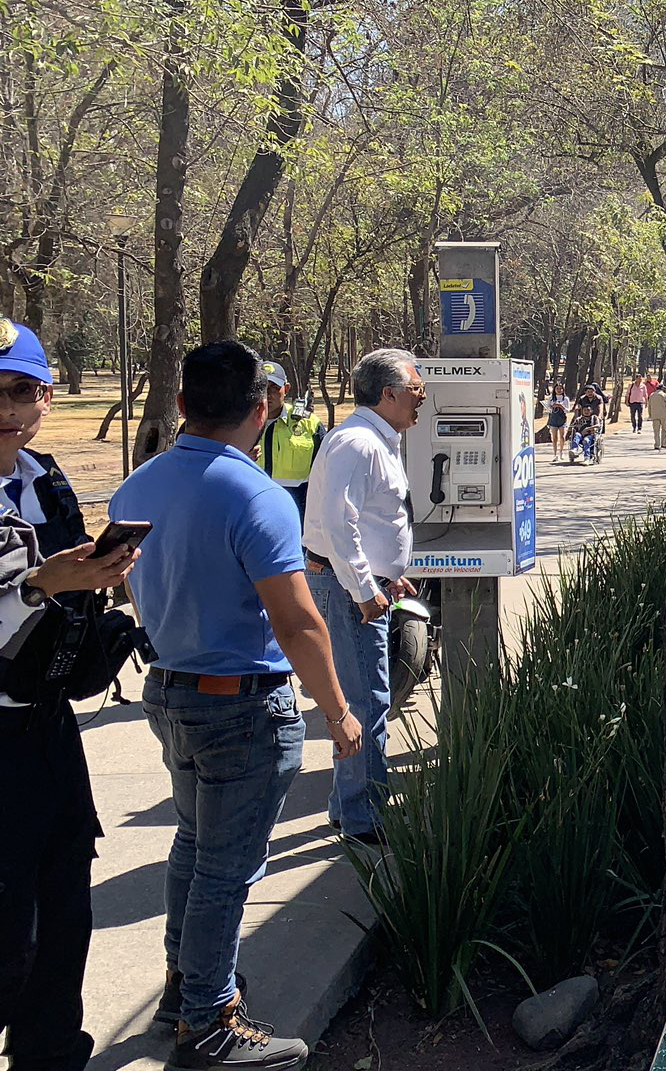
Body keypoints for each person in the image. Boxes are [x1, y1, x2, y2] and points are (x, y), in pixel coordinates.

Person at [112, 339, 363, 1069]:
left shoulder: (138, 486)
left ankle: (184, 987)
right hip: (241, 708)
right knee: (227, 866)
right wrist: (339, 710)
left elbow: (136, 586)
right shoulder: (254, 493)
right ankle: (210, 1019)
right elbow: (297, 621)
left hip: (171, 692)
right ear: (262, 410)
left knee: (194, 847)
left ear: (183, 405)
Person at [0, 320, 142, 1071]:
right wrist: (36, 583)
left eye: (22, 390)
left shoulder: (45, 477)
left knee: (65, 918)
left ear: (47, 397)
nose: (8, 408)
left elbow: (60, 593)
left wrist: (94, 580)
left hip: (50, 731)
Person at [303, 349, 421, 844]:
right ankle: (364, 817)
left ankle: (345, 805)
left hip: (360, 587)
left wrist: (386, 577)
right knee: (367, 703)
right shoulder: (357, 442)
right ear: (388, 393)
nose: (422, 399)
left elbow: (368, 523)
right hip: (349, 592)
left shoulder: (378, 439)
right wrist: (366, 588)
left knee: (363, 699)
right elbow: (337, 524)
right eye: (417, 390)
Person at [255, 360, 324, 520]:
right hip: (255, 506)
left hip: (298, 509)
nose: (268, 394)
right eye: (262, 388)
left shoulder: (309, 424)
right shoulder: (241, 424)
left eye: (274, 388)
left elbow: (326, 469)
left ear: (286, 389)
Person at [647, 380, 666, 451]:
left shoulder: (651, 395)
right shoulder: (664, 395)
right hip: (663, 415)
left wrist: (650, 415)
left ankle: (657, 444)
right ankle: (664, 443)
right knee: (665, 430)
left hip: (655, 415)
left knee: (656, 431)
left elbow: (649, 406)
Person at [545, 387, 570, 463]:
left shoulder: (565, 399)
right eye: (557, 389)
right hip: (553, 419)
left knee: (562, 436)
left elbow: (568, 410)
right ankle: (555, 454)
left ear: (563, 390)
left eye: (560, 389)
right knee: (554, 437)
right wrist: (553, 406)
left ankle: (561, 452)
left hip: (562, 419)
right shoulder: (551, 398)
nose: (559, 390)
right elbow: (548, 408)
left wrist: (561, 406)